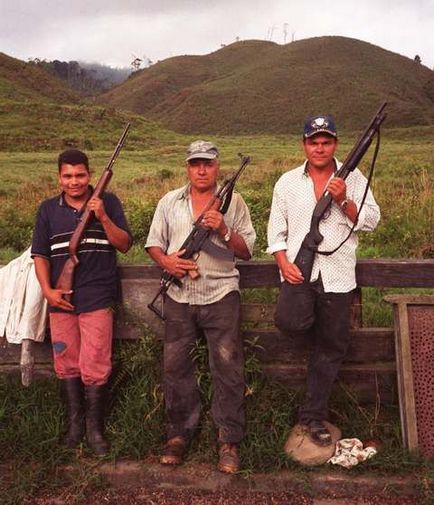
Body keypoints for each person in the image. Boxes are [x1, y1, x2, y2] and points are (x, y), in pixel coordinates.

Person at [267, 115, 380, 447]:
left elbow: (372, 220)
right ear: (304, 144)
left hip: (338, 276)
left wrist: (344, 200)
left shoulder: (354, 177)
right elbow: (276, 232)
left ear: (335, 144)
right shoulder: (286, 182)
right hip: (300, 272)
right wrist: (283, 262)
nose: (320, 147)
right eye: (313, 141)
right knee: (289, 322)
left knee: (331, 348)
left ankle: (313, 416)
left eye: (326, 141)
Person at [145, 140, 256, 473]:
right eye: (195, 164)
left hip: (221, 294)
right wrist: (168, 263)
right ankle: (178, 435)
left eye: (207, 163)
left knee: (228, 368)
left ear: (217, 166)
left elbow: (247, 250)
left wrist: (222, 228)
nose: (202, 169)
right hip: (179, 298)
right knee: (176, 369)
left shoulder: (234, 202)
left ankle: (228, 440)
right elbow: (153, 243)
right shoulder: (169, 202)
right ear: (187, 167)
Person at [31, 148, 132, 455]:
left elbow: (125, 244)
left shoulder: (109, 202)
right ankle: (75, 426)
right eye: (67, 176)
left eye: (80, 175)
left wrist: (101, 215)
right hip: (61, 299)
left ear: (90, 175)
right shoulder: (48, 210)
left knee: (96, 363)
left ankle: (94, 430)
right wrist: (48, 291)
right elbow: (40, 255)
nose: (74, 182)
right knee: (66, 362)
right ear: (59, 177)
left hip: (98, 297)